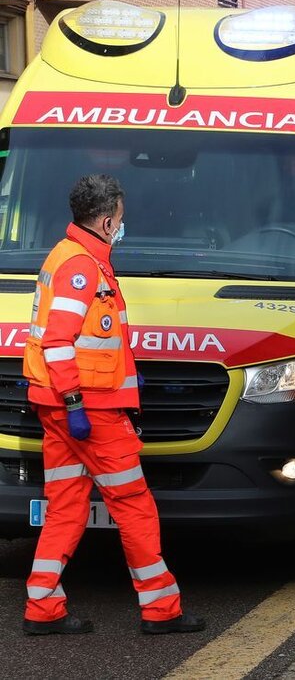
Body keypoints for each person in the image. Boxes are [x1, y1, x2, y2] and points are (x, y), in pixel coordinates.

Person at [21, 174, 205, 636]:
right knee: (134, 504)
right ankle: (162, 610)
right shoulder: (82, 267)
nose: (123, 226)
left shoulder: (71, 257)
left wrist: (124, 372)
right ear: (106, 222)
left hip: (64, 408)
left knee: (65, 505)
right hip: (88, 412)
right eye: (121, 219)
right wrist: (76, 402)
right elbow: (60, 343)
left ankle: (42, 607)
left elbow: (89, 338)